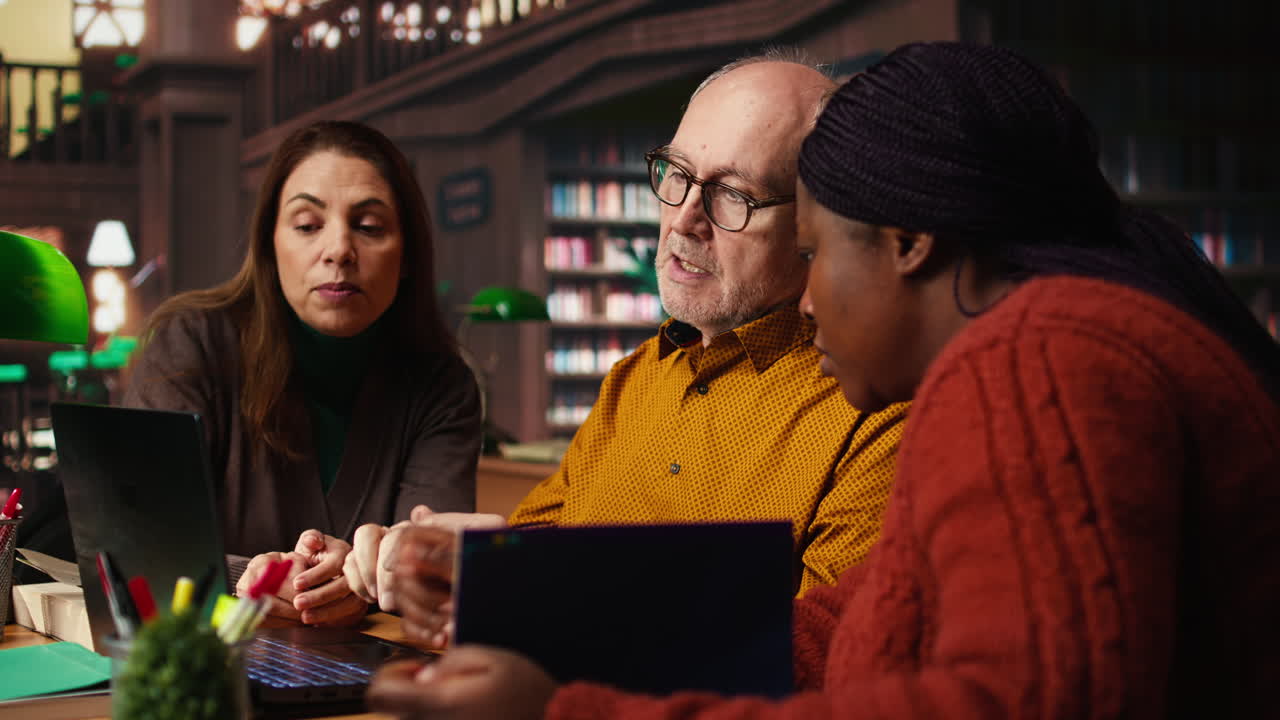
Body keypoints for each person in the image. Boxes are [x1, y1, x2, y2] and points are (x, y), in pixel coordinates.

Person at [365, 42, 1280, 719]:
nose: (806, 306)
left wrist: (561, 711)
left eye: (813, 252)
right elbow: (842, 630)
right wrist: (518, 618)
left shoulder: (1037, 360)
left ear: (909, 245)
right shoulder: (1054, 345)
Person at [343, 52, 911, 633]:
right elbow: (543, 545)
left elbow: (823, 657)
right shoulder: (634, 379)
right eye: (677, 175)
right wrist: (425, 561)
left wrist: (537, 591)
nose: (684, 218)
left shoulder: (879, 412)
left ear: (818, 220)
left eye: (733, 196)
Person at [125, 120, 482, 627]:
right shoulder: (190, 344)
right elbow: (140, 541)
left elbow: (426, 570)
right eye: (308, 225)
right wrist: (250, 577)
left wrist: (357, 583)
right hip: (204, 659)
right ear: (270, 245)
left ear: (406, 256)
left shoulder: (444, 387)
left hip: (371, 671)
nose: (338, 249)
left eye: (370, 227)